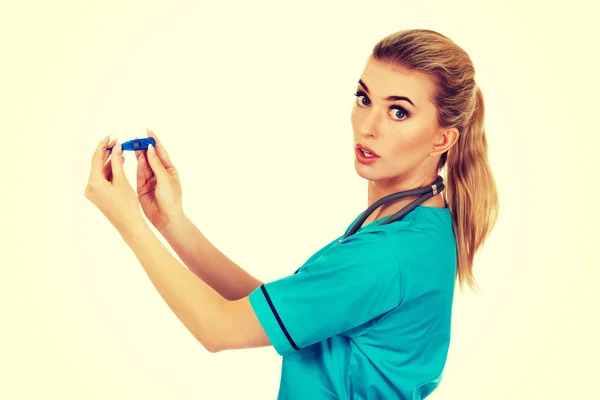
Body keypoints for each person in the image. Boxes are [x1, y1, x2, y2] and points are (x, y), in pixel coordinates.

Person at [84, 28, 499, 399]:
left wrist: (127, 221)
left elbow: (218, 329)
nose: (367, 126)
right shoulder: (416, 221)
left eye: (398, 111)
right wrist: (169, 222)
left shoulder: (387, 254)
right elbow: (280, 310)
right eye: (364, 98)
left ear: (442, 139)